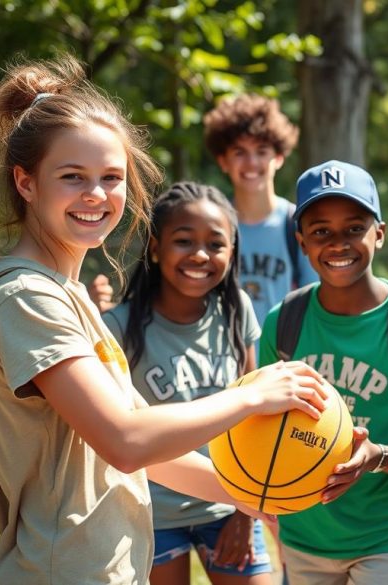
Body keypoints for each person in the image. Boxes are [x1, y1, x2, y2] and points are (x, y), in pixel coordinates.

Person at [0, 55, 330, 585]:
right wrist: (253, 396)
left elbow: (153, 456)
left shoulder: (66, 294)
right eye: (72, 177)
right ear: (26, 182)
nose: (96, 194)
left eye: (111, 177)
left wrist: (270, 492)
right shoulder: (27, 298)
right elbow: (126, 440)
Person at [257, 160, 388, 584]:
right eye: (320, 231)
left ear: (379, 233)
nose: (338, 243)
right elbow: (264, 432)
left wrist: (377, 456)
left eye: (353, 228)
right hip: (305, 535)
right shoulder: (283, 323)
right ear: (301, 241)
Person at [103, 182, 272, 584]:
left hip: (228, 503)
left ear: (232, 252)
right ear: (156, 247)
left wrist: (245, 512)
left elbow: (257, 421)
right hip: (153, 511)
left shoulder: (236, 311)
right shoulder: (118, 327)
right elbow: (114, 431)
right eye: (184, 241)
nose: (200, 254)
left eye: (216, 244)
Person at [203, 93, 319, 330]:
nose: (251, 162)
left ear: (279, 158)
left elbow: (317, 304)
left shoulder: (298, 224)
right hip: (221, 352)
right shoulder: (210, 226)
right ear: (223, 161)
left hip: (283, 352)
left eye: (262, 151)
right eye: (239, 152)